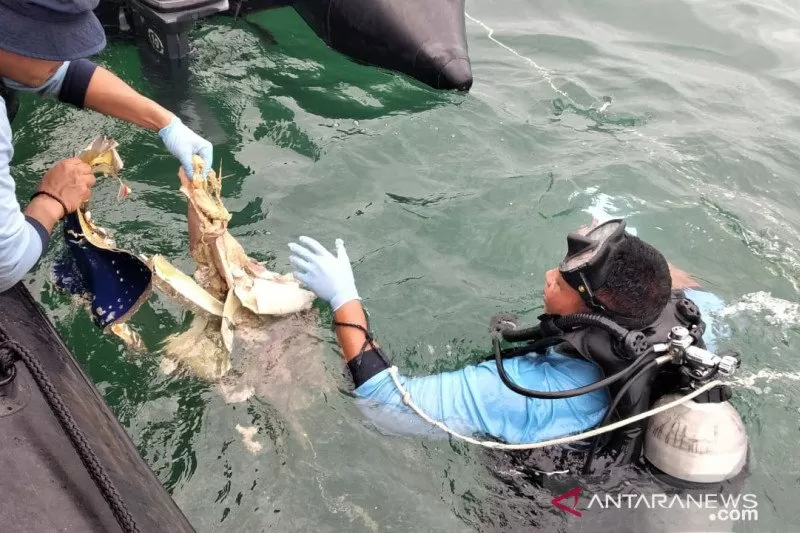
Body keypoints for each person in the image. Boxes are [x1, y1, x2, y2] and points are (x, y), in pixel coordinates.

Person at [286, 219, 728, 466]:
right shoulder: (690, 315)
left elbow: (385, 406)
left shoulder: (527, 390)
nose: (550, 275)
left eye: (565, 278)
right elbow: (662, 276)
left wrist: (344, 298)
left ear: (591, 314)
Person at [0, 0, 213, 293]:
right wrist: (52, 199)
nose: (61, 55)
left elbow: (62, 74)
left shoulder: (14, 54)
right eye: (48, 42)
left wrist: (167, 123)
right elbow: (6, 263)